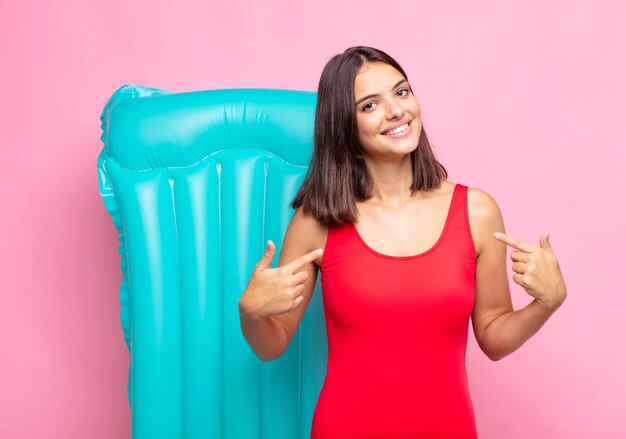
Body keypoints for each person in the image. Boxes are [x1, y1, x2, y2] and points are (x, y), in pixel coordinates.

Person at [238, 46, 567, 439]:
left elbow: (494, 336)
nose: (396, 110)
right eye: (369, 105)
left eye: (401, 92)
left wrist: (547, 303)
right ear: (343, 125)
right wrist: (252, 314)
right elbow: (272, 343)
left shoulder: (476, 211)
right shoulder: (318, 219)